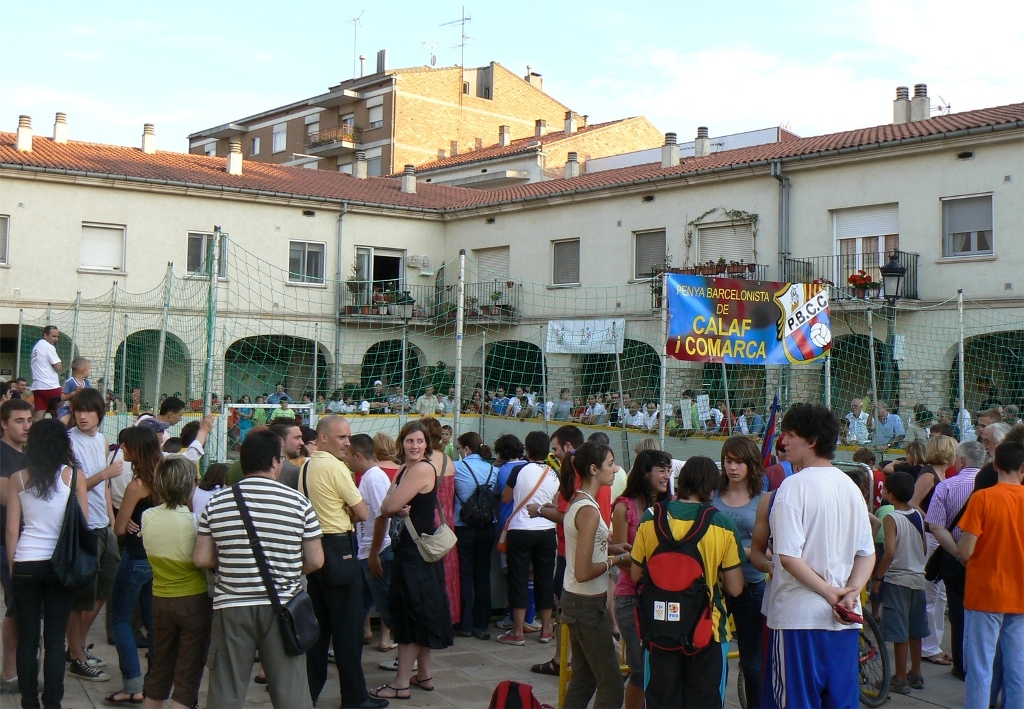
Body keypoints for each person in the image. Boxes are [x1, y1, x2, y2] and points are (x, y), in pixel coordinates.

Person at [193, 429, 324, 709]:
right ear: (276, 461)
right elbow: (316, 560)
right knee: (291, 692)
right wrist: (287, 566)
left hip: (231, 606)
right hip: (284, 606)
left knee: (226, 689)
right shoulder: (298, 503)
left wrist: (232, 559)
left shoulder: (217, 503)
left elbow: (202, 558)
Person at [762, 403, 875, 709]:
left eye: (791, 435)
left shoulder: (792, 487)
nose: (784, 441)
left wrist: (831, 593)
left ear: (811, 441)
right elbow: (867, 553)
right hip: (844, 621)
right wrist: (851, 592)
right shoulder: (850, 487)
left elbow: (787, 556)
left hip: (799, 619)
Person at [631, 456, 745, 708]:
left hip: (658, 627)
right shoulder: (722, 524)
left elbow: (636, 575)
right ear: (712, 488)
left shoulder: (650, 518)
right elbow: (736, 587)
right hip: (708, 631)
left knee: (660, 700)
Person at [300, 416, 384, 709]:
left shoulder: (306, 465)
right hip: (338, 547)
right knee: (347, 628)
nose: (348, 443)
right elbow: (362, 512)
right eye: (341, 438)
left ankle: (307, 694)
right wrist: (348, 509)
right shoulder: (335, 467)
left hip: (313, 548)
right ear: (323, 437)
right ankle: (355, 697)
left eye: (348, 438)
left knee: (319, 628)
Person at [5, 419, 90, 709]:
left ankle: (29, 703)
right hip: (61, 565)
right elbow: (84, 525)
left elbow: (13, 530)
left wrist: (14, 567)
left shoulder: (18, 478)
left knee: (28, 638)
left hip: (26, 562)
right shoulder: (74, 476)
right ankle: (52, 702)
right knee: (55, 639)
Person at [370, 421, 454, 701]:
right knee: (423, 612)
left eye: (420, 441)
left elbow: (387, 507)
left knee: (411, 615)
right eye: (410, 441)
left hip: (415, 554)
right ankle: (424, 675)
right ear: (401, 443)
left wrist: (393, 503)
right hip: (417, 552)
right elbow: (390, 504)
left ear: (427, 445)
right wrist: (393, 503)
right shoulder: (407, 469)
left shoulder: (419, 469)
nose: (415, 446)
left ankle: (401, 683)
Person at [559, 442, 629, 709]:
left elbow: (583, 548)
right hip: (585, 604)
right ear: (593, 469)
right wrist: (617, 559)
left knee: (584, 679)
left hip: (580, 601)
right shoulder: (587, 509)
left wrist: (611, 547)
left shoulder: (583, 502)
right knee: (611, 685)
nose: (615, 469)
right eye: (610, 464)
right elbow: (584, 569)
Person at [140, 455, 212, 709]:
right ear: (191, 485)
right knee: (188, 672)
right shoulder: (194, 522)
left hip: (160, 599)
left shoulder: (147, 517)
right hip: (194, 601)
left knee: (160, 665)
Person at [957, 440, 1024, 709]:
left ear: (994, 465)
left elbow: (966, 550)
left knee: (980, 667)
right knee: (1017, 667)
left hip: (984, 593)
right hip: (1019, 594)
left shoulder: (983, 498)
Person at [66, 387, 122, 681]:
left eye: (88, 410)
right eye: (78, 410)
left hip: (103, 524)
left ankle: (75, 647)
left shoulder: (101, 440)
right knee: (80, 597)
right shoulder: (69, 443)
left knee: (103, 589)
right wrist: (105, 474)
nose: (83, 416)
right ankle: (76, 656)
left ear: (100, 414)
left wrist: (112, 521)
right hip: (82, 526)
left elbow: (105, 488)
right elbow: (74, 488)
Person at [107, 426, 164, 704]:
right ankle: (155, 681)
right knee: (154, 624)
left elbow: (118, 528)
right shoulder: (163, 479)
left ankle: (132, 684)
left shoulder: (136, 485)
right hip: (158, 558)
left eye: (125, 446)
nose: (122, 450)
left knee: (120, 621)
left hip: (135, 557)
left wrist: (126, 521)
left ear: (136, 449)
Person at [612, 448, 671, 709]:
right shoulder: (624, 507)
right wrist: (648, 573)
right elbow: (622, 555)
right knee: (639, 668)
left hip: (663, 596)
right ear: (645, 473)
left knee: (659, 667)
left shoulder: (671, 505)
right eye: (661, 470)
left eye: (669, 470)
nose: (667, 476)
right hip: (630, 598)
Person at [712, 436, 767, 708]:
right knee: (713, 655)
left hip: (751, 585)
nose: (733, 467)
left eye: (739, 462)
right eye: (728, 461)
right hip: (715, 586)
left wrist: (740, 551)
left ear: (750, 463)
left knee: (752, 663)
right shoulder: (713, 495)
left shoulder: (762, 499)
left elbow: (768, 547)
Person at [924, 439, 984, 680]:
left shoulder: (947, 486)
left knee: (957, 610)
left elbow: (936, 526)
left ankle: (961, 665)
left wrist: (958, 552)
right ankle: (982, 663)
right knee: (984, 613)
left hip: (953, 556)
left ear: (960, 460)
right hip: (984, 556)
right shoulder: (989, 487)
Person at [498, 431, 559, 646]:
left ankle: (517, 632)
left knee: (518, 579)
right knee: (544, 580)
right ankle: (545, 630)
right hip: (546, 530)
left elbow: (506, 497)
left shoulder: (518, 470)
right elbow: (555, 502)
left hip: (521, 529)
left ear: (528, 450)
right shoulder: (554, 473)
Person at [872, 471, 928, 694]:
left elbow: (890, 551)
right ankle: (916, 672)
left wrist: (878, 577)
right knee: (916, 629)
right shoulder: (917, 516)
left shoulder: (891, 518)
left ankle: (901, 677)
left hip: (897, 579)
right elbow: (923, 548)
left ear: (890, 494)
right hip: (917, 578)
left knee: (899, 631)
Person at [345, 434, 395, 652]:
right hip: (368, 552)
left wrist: (374, 553)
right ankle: (346, 647)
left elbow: (383, 516)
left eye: (347, 455)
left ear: (358, 455)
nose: (345, 459)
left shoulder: (374, 478)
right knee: (358, 604)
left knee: (387, 607)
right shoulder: (368, 477)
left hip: (377, 553)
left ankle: (407, 657)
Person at [910, 433, 957, 666]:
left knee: (938, 594)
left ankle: (932, 643)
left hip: (935, 535)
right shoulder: (929, 474)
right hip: (931, 536)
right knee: (932, 592)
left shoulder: (938, 474)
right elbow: (912, 502)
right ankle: (928, 646)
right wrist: (931, 520)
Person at [0, 398, 32, 694]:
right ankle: (9, 672)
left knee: (22, 607)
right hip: (6, 539)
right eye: (19, 421)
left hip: (30, 539)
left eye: (28, 420)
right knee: (15, 605)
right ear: (4, 423)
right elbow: (6, 497)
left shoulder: (31, 454)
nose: (25, 426)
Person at [452, 432, 496, 640]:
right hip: (487, 526)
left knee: (465, 576)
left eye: (460, 448)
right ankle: (482, 624)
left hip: (464, 525)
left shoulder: (458, 468)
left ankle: (465, 623)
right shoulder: (492, 470)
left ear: (466, 449)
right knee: (482, 576)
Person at [29, 326, 63, 422]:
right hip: (49, 386)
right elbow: (58, 367)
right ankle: (62, 435)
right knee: (67, 407)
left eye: (57, 337)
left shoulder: (36, 347)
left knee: (38, 418)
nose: (56, 339)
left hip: (37, 387)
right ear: (45, 335)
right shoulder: (48, 347)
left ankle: (33, 436)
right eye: (54, 336)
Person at [55, 357, 91, 424]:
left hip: (83, 408)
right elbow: (63, 398)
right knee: (63, 422)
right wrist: (75, 392)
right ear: (84, 371)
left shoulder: (87, 383)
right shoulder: (70, 382)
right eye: (89, 369)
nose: (90, 371)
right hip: (69, 408)